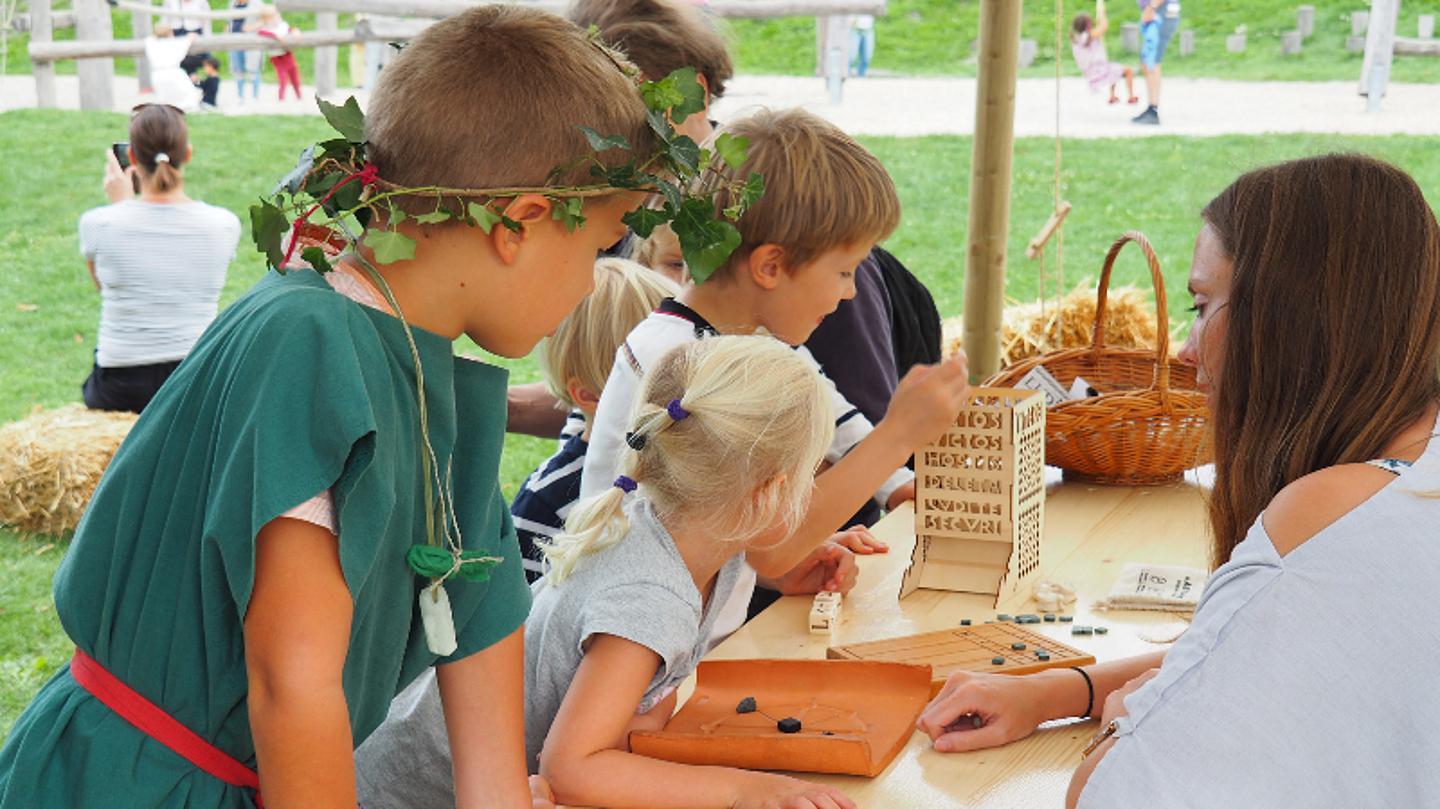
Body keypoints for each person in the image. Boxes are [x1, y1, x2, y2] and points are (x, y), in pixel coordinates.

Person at [0, 8, 666, 807]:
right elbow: (293, 683)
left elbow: (484, 689)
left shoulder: (437, 392)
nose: (593, 280)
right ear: (521, 223)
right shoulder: (309, 340)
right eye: (598, 247)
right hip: (137, 785)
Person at [912, 154, 1440, 808]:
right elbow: (1232, 646)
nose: (1187, 351)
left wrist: (1125, 718)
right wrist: (1057, 689)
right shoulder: (1411, 472)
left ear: (1288, 320)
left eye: (1203, 304)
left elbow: (1111, 793)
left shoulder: (1323, 515)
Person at [357, 335, 859, 808]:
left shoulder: (681, 530)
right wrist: (744, 790)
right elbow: (571, 770)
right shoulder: (650, 598)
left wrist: (781, 574)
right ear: (769, 493)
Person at [582, 107, 971, 647]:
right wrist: (900, 435)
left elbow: (828, 434)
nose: (851, 292)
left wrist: (765, 569)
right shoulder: (683, 358)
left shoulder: (751, 343)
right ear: (769, 266)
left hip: (668, 645)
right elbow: (771, 541)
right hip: (622, 650)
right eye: (842, 270)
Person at [510, 257, 680, 582]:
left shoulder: (686, 466)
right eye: (666, 375)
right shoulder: (545, 502)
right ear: (589, 395)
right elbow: (529, 622)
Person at [78, 104, 238, 414]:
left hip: (119, 388)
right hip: (195, 378)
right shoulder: (223, 224)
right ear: (187, 154)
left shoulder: (98, 224)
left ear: (133, 159)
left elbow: (107, 286)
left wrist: (121, 206)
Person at [1072, 2, 1138, 105]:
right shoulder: (1089, 35)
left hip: (1092, 71)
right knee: (1128, 71)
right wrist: (1102, 12)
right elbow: (1104, 26)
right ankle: (1131, 96)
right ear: (1087, 24)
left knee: (1114, 70)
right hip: (1100, 70)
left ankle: (1112, 96)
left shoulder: (1077, 39)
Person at [1133, 0, 1180, 125]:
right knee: (1147, 61)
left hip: (1161, 11)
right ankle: (1151, 108)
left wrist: (1151, 7)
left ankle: (1153, 111)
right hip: (1158, 11)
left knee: (1151, 60)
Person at [143, 25, 201, 110]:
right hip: (173, 72)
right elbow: (189, 39)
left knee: (164, 99)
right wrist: (192, 34)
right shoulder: (175, 43)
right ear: (171, 33)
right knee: (189, 96)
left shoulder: (151, 43)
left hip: (157, 74)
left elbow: (149, 39)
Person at [250, 4, 301, 101]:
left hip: (287, 54)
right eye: (272, 18)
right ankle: (281, 98)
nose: (276, 19)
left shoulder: (282, 25)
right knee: (282, 78)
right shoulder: (266, 28)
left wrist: (295, 31)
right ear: (266, 19)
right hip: (277, 58)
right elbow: (261, 32)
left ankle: (298, 95)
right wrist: (275, 35)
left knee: (294, 75)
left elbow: (290, 30)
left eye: (277, 16)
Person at [227, 0, 262, 103]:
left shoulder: (257, 3)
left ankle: (255, 97)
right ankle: (240, 97)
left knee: (253, 68)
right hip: (235, 40)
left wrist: (252, 27)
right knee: (238, 69)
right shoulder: (232, 3)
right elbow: (228, 21)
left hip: (251, 40)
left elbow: (265, 19)